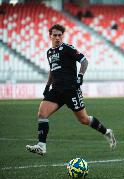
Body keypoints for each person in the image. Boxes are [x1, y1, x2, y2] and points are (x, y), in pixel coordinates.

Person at [26, 24, 116, 156]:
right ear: (50, 36)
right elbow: (52, 70)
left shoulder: (67, 48)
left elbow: (84, 61)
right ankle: (41, 146)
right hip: (56, 90)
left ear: (62, 36)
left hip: (71, 89)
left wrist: (80, 76)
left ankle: (107, 132)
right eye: (55, 35)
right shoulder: (49, 52)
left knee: (84, 120)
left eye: (59, 35)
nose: (57, 37)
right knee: (42, 113)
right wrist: (47, 86)